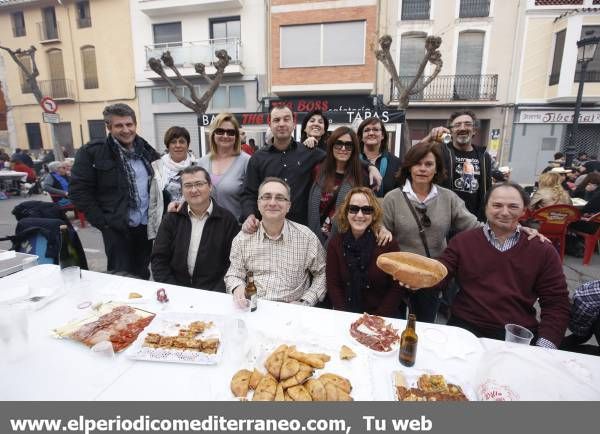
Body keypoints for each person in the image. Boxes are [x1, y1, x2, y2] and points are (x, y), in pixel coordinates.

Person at [414, 182, 570, 348]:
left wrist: (545, 346)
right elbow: (439, 275)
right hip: (465, 328)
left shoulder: (542, 250)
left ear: (524, 210)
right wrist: (416, 279)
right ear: (486, 207)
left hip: (516, 335)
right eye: (497, 205)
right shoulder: (463, 242)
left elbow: (557, 302)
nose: (504, 212)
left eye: (513, 206)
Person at [241, 106, 382, 233]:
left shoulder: (309, 152)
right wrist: (250, 215)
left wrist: (370, 166)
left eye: (286, 119)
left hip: (301, 230)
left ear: (293, 124)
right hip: (267, 228)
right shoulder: (258, 158)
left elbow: (340, 156)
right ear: (270, 124)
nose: (282, 124)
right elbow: (249, 193)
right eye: (277, 120)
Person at [382, 142, 479, 322]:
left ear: (437, 169)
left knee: (424, 327)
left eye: (428, 164)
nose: (422, 169)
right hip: (399, 274)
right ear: (409, 167)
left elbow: (474, 227)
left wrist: (515, 230)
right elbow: (383, 232)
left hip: (430, 277)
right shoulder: (393, 198)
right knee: (394, 326)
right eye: (417, 164)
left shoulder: (448, 198)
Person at [70, 103, 160, 279]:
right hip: (116, 229)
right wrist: (104, 224)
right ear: (109, 127)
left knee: (142, 272)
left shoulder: (147, 151)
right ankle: (121, 307)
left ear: (135, 125)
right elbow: (79, 191)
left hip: (144, 227)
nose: (126, 130)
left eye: (129, 124)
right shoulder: (92, 152)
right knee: (120, 276)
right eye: (119, 125)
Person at [226, 177, 326, 306]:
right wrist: (238, 287)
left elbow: (323, 272)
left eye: (279, 198)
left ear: (288, 205)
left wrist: (305, 301)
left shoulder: (306, 237)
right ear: (258, 203)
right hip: (254, 308)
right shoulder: (243, 239)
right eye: (266, 197)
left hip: (293, 312)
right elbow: (234, 274)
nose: (272, 203)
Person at [151, 166, 239, 291]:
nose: (194, 190)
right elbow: (158, 260)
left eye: (199, 184)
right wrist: (174, 290)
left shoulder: (227, 221)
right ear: (182, 190)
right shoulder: (172, 219)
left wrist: (216, 294)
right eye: (188, 185)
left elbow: (234, 264)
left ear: (210, 186)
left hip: (215, 294)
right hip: (176, 292)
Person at [327, 187, 405, 317]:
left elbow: (396, 287)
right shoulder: (336, 244)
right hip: (347, 316)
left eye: (366, 210)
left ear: (374, 214)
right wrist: (346, 316)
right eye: (353, 209)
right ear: (346, 212)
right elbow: (333, 284)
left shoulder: (387, 244)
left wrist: (377, 318)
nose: (359, 215)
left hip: (381, 317)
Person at [420, 110, 492, 220]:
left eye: (467, 124)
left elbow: (488, 189)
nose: (462, 128)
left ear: (474, 131)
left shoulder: (484, 156)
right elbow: (414, 156)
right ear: (451, 131)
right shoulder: (441, 151)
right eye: (457, 125)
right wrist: (430, 137)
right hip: (443, 218)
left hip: (474, 219)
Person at [307, 126, 368, 245]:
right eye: (338, 144)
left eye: (348, 145)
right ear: (331, 146)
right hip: (315, 237)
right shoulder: (318, 170)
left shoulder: (361, 176)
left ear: (354, 149)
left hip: (345, 242)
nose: (343, 148)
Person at [198, 113, 250, 223]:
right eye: (220, 131)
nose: (225, 136)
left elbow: (252, 197)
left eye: (231, 132)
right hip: (207, 228)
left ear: (236, 136)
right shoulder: (202, 162)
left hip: (236, 229)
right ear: (213, 134)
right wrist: (179, 203)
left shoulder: (247, 161)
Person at [148, 126, 197, 240]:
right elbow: (153, 201)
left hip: (191, 223)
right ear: (168, 145)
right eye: (173, 142)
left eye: (182, 141)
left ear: (187, 144)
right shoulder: (157, 166)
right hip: (165, 224)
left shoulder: (197, 165)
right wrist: (152, 233)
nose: (178, 145)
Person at [357, 116, 401, 198]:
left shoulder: (396, 163)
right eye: (366, 130)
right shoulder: (353, 160)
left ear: (383, 135)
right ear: (361, 137)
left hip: (386, 209)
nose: (371, 133)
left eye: (376, 130)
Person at [560, 280, 600, 355]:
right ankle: (561, 349)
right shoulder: (584, 302)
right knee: (582, 334)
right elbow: (582, 335)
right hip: (586, 306)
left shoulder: (583, 301)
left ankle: (561, 349)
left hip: (585, 306)